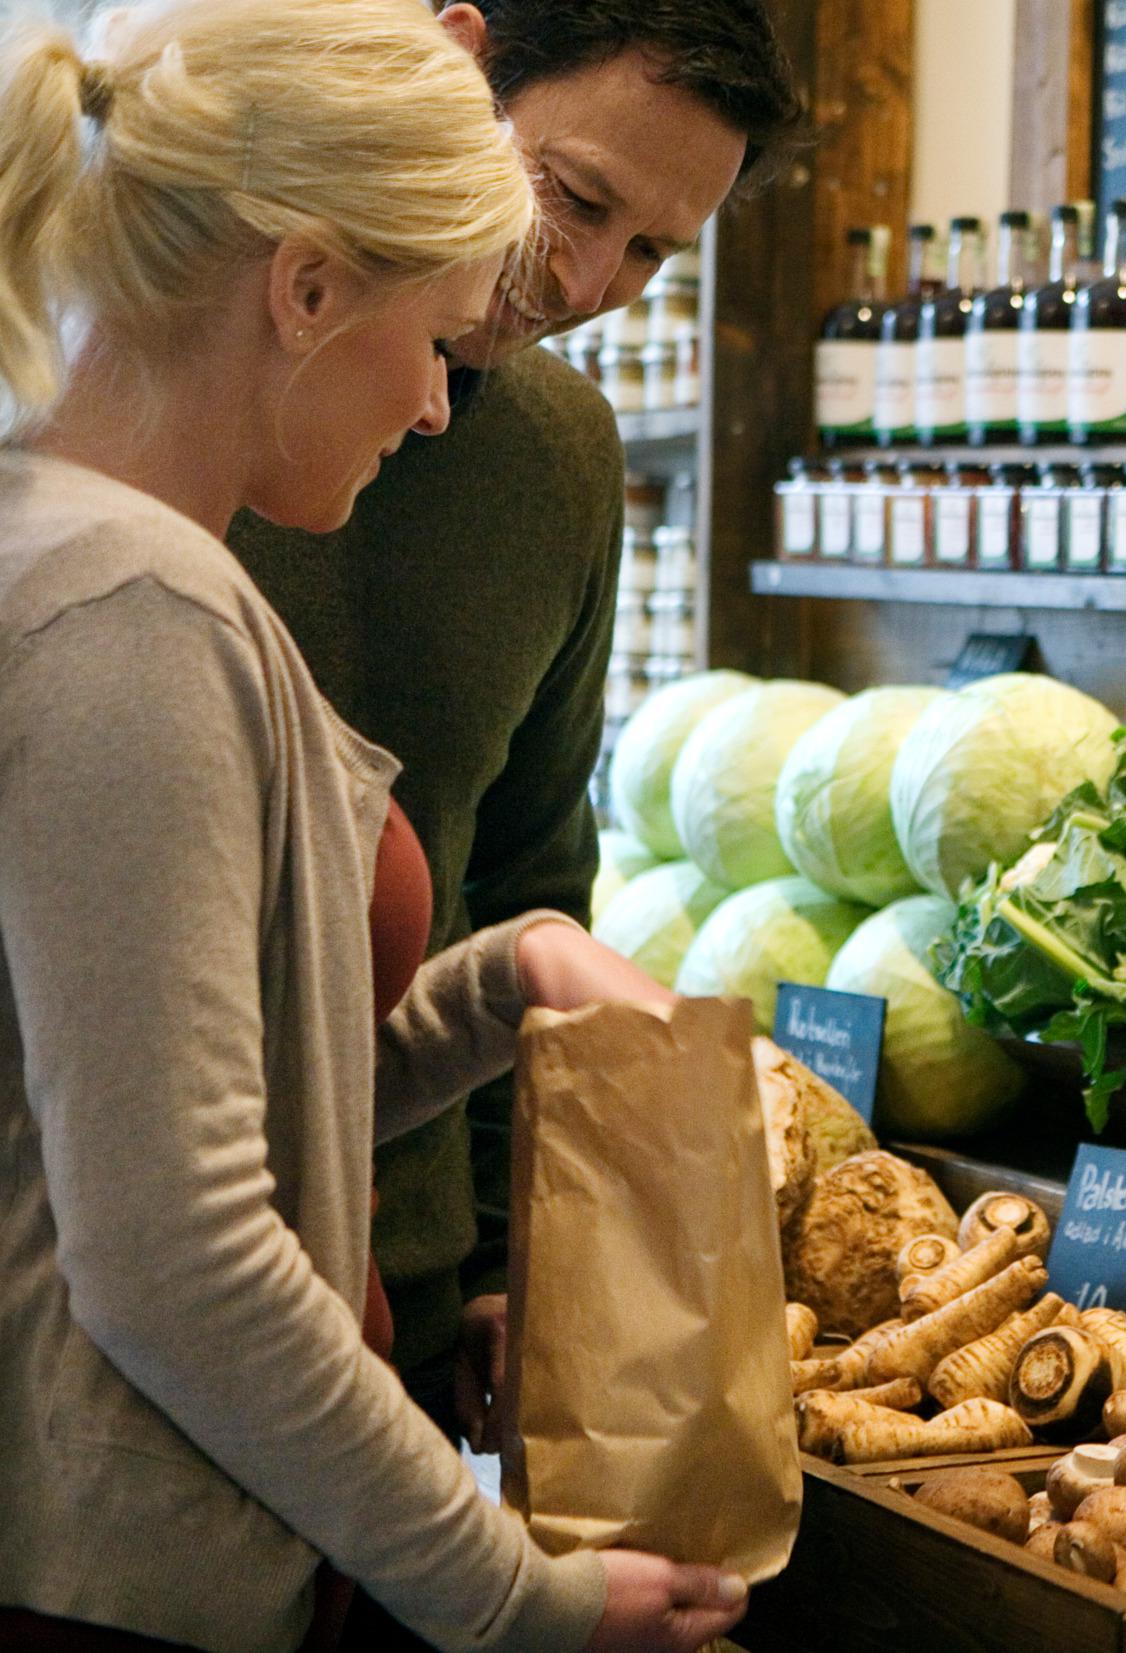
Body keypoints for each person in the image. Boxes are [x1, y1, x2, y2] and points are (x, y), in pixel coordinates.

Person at [0, 2, 746, 1649]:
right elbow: (176, 1255)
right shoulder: (138, 603)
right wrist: (516, 1597)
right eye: (431, 335)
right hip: (116, 1576)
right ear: (310, 290)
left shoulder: (74, 546)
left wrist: (504, 982)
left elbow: (210, 1101)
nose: (432, 408)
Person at [224, 0, 802, 1461]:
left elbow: (535, 864)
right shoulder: (189, 391)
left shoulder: (561, 454)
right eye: (579, 198)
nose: (590, 279)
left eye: (655, 251)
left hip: (399, 1291)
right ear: (460, 67)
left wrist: (497, 1254)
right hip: (132, 1293)